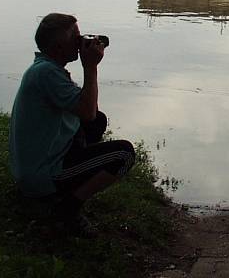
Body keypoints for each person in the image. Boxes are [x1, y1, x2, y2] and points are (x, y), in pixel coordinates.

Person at [9, 13, 135, 233]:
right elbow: (86, 112)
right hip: (43, 175)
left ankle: (72, 184)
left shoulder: (46, 68)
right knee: (123, 154)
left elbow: (91, 113)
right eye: (75, 37)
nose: (80, 42)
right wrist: (91, 67)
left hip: (39, 162)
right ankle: (67, 208)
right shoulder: (47, 74)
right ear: (58, 47)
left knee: (98, 121)